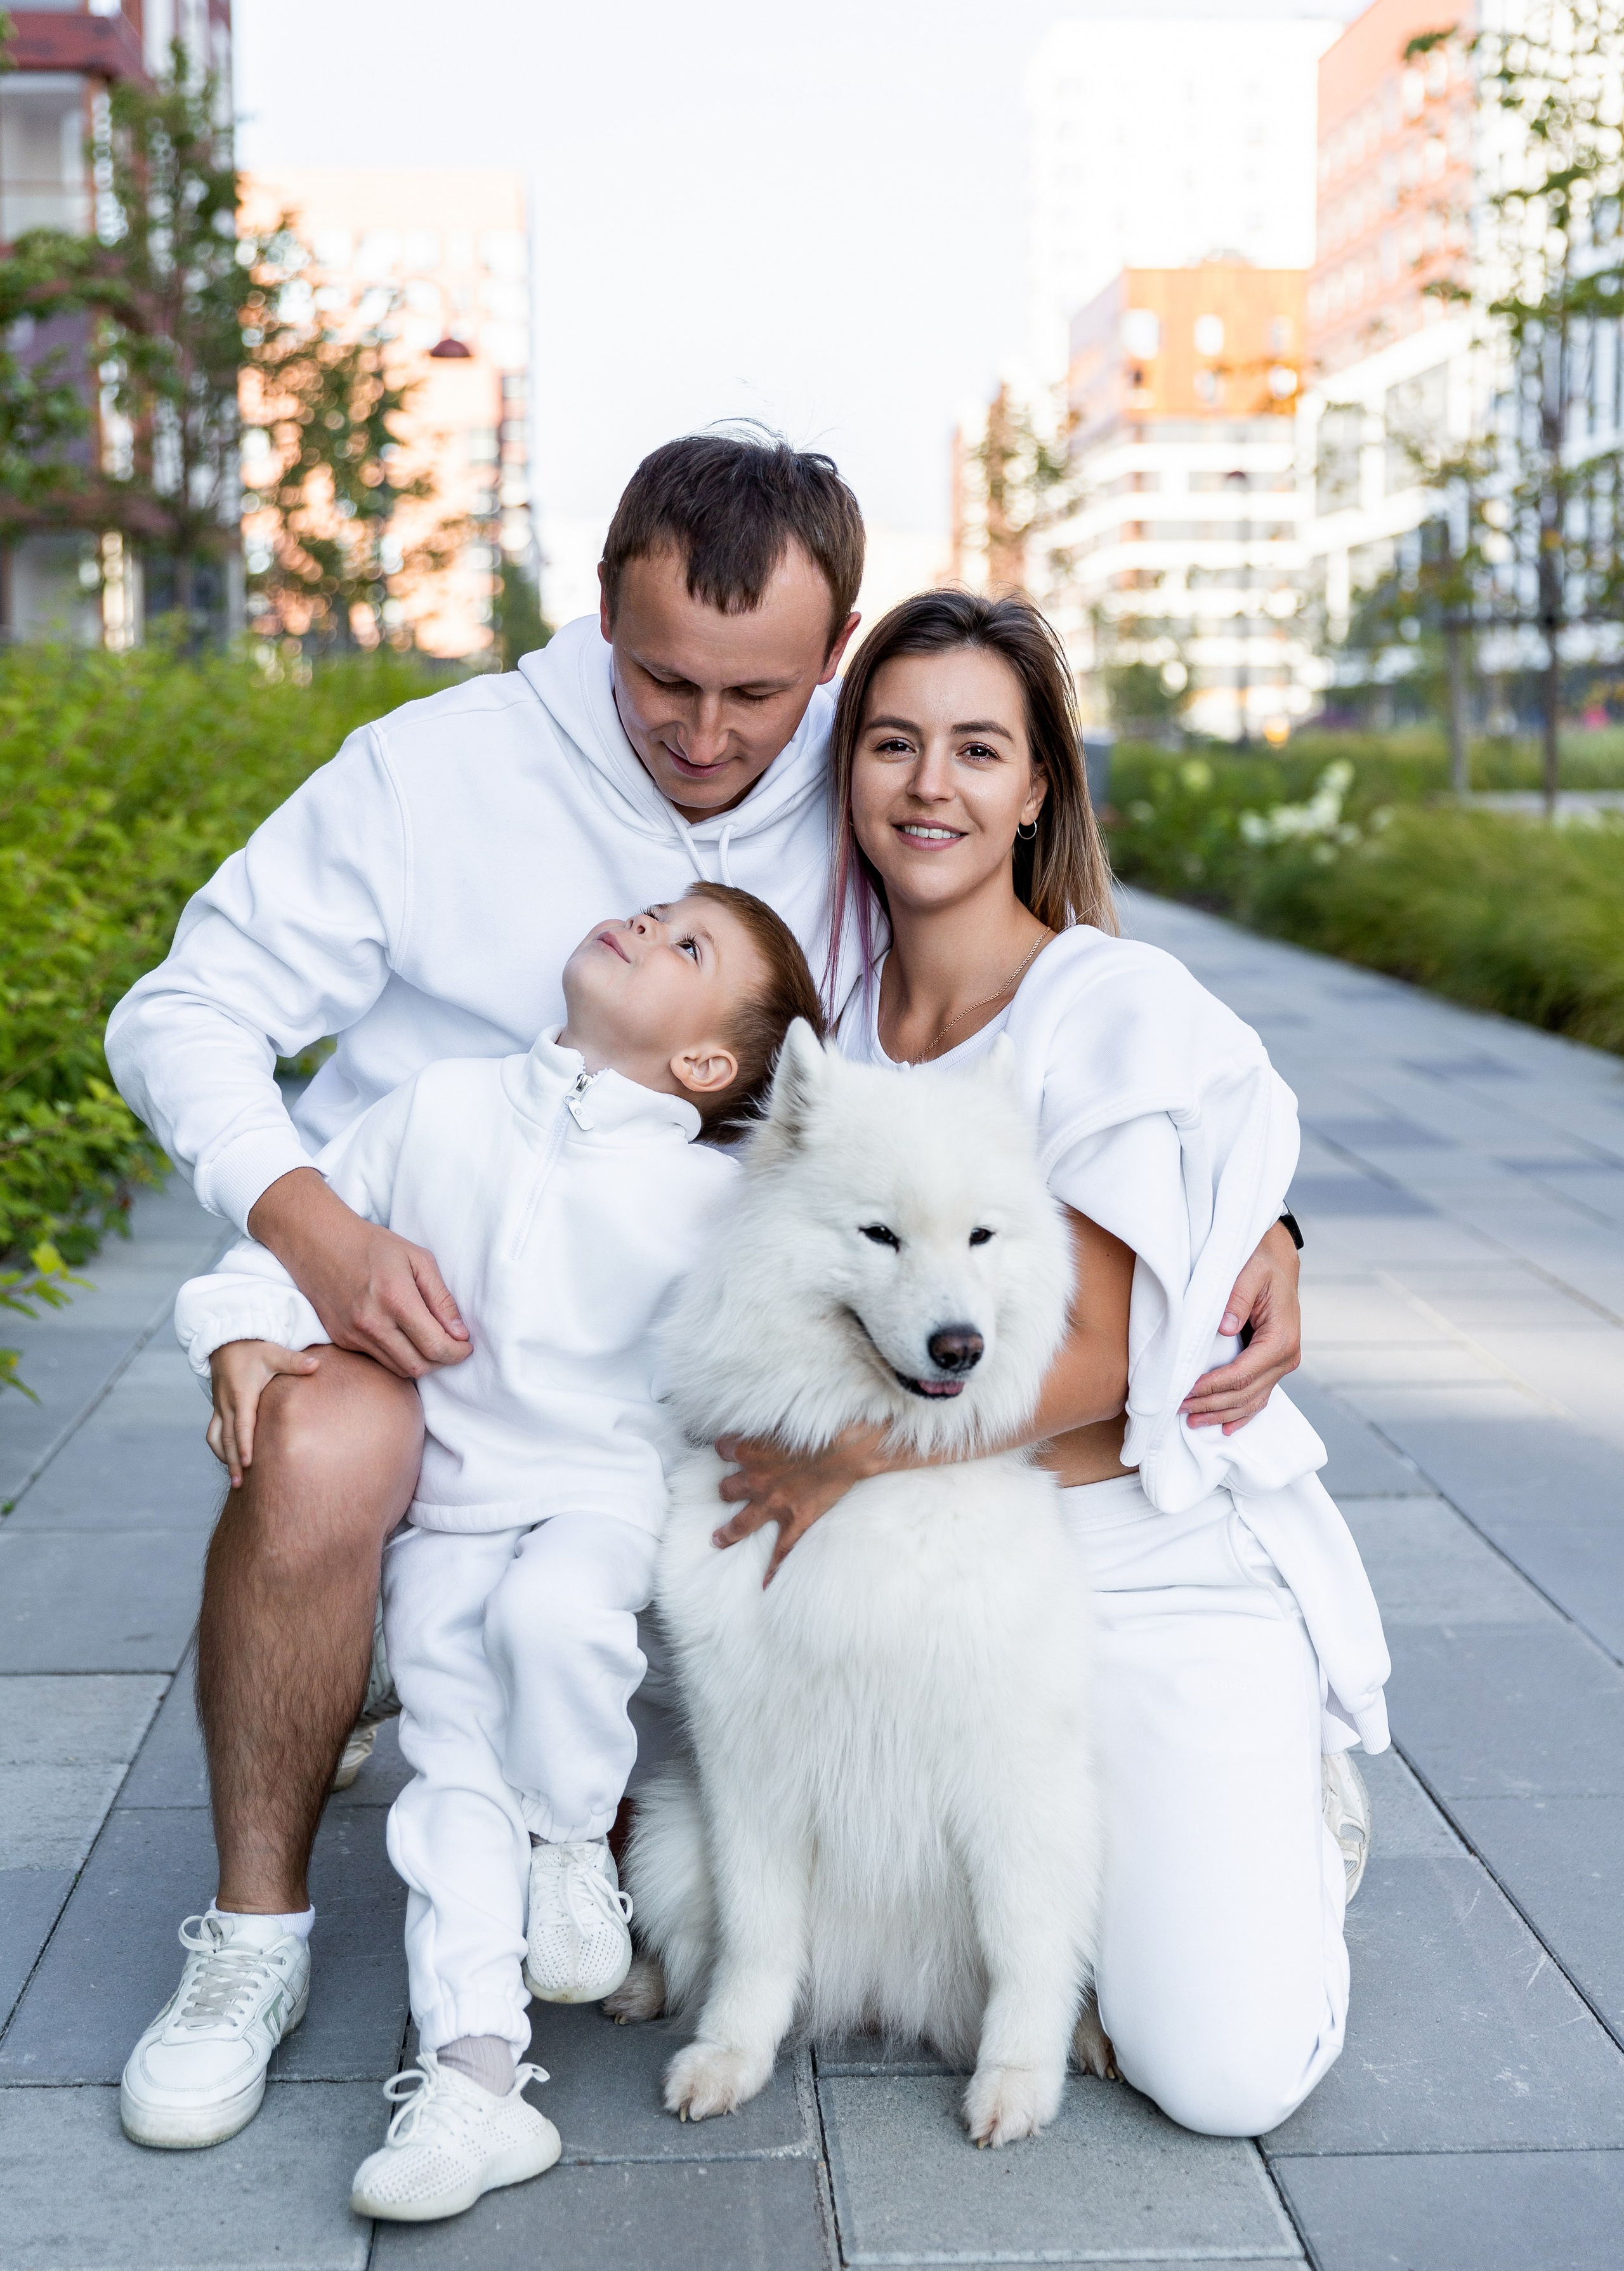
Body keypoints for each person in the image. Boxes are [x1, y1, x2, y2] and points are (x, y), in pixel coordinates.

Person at [103, 430, 1304, 2146]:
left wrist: (1254, 1226)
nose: (707, 734)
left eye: (760, 696)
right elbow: (180, 1011)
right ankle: (256, 1932)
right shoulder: (434, 772)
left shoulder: (858, 771)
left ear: (827, 661)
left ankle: (582, 1821)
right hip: (414, 1292)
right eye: (664, 678)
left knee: (696, 1593)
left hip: (656, 1355)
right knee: (324, 1464)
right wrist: (304, 1236)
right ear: (602, 612)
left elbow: (1054, 1046)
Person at [711, 589, 1389, 2140]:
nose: (927, 785)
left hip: (1134, 1567)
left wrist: (840, 1456)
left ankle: (1286, 1819)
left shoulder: (1107, 999)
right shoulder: (815, 1018)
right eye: (891, 744)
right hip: (921, 1584)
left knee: (1215, 2075)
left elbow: (1090, 1355)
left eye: (974, 748)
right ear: (846, 774)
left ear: (1036, 789)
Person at [132, 885, 822, 2215]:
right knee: (447, 1776)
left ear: (702, 1069)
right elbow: (309, 1245)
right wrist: (234, 1327)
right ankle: (475, 2082)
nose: (646, 921)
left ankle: (568, 1844)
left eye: (689, 946)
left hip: (601, 1498)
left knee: (556, 1620)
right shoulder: (436, 1108)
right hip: (452, 1509)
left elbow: (780, 1346)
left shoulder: (706, 1199)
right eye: (658, 909)